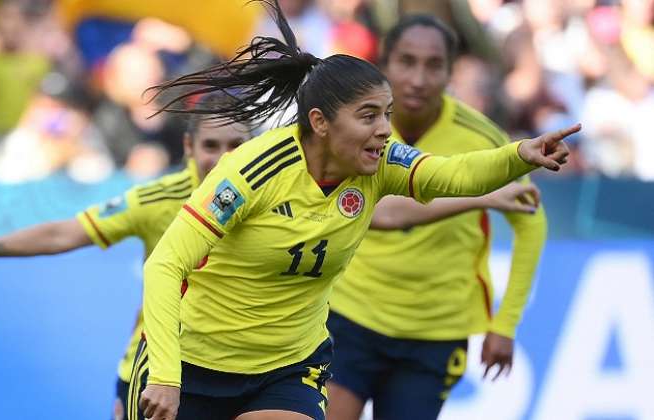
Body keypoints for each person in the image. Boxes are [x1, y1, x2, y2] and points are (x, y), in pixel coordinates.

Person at [132, 2, 577, 420]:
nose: (385, 129)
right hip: (194, 359)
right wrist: (167, 376)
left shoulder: (381, 163)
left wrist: (520, 153)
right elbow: (166, 265)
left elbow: (452, 175)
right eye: (369, 116)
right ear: (321, 123)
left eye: (386, 114)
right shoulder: (252, 171)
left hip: (286, 367)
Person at [0, 91, 252, 420]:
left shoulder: (278, 199)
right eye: (211, 145)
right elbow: (64, 233)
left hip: (250, 367)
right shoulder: (157, 200)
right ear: (188, 147)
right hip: (161, 370)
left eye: (236, 146)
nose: (224, 158)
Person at [325, 15, 549, 420]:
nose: (418, 78)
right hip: (349, 313)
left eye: (433, 65)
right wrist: (480, 197)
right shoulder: (353, 128)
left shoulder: (481, 138)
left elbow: (532, 219)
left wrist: (506, 322)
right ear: (384, 64)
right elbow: (372, 211)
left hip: (435, 330)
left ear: (451, 72)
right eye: (406, 62)